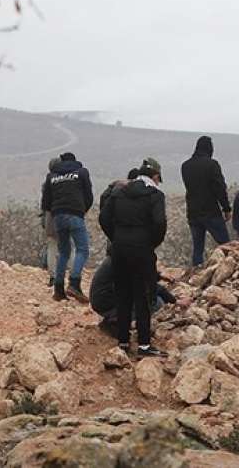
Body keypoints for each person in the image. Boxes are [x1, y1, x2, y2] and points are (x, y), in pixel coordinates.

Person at [99, 158, 168, 358]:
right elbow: (160, 223)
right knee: (144, 296)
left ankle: (123, 341)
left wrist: (116, 237)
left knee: (122, 294)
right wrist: (150, 243)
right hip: (142, 250)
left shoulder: (119, 192)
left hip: (119, 249)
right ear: (155, 176)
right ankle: (144, 345)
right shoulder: (155, 195)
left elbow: (104, 218)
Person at [42, 152, 94, 303]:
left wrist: (56, 210)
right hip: (75, 214)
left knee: (64, 252)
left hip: (58, 216)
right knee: (82, 249)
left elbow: (45, 202)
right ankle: (74, 283)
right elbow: (89, 196)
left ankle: (58, 289)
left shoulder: (51, 177)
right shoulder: (82, 172)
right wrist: (82, 209)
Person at [89, 252, 181, 335]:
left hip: (102, 300)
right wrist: (175, 301)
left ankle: (115, 318)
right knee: (154, 302)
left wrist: (159, 276)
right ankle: (116, 322)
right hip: (105, 302)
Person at [181, 136, 231, 266]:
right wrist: (226, 208)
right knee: (227, 245)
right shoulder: (212, 164)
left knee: (198, 249)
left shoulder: (185, 166)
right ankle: (230, 270)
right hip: (211, 212)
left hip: (193, 212)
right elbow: (219, 188)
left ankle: (195, 276)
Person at [42, 157, 60, 288]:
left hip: (50, 217)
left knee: (52, 247)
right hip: (62, 215)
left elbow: (44, 203)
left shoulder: (47, 181)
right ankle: (70, 275)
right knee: (68, 246)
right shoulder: (65, 180)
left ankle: (52, 276)